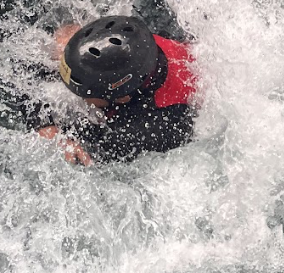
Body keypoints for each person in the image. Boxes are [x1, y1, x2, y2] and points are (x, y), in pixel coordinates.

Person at [24, 14, 199, 166]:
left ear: (121, 98)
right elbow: (26, 74)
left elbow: (87, 154)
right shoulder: (134, 37)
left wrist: (48, 130)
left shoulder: (141, 130)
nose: (79, 96)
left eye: (84, 93)